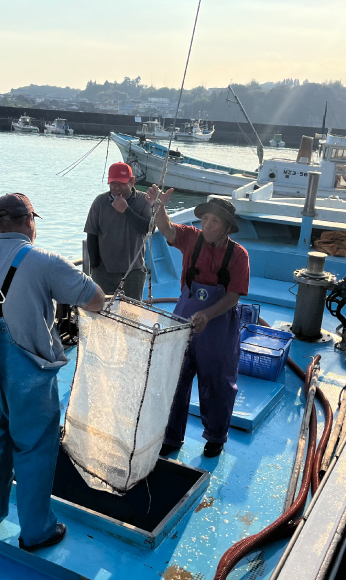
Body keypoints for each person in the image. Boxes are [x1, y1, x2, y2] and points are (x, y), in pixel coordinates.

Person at [0, 193, 104, 551]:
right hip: (29, 375)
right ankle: (35, 532)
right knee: (33, 449)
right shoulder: (45, 261)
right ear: (30, 220)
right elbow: (96, 299)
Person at [148, 185, 250, 458]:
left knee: (217, 380)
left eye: (214, 221)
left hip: (218, 324)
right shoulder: (191, 238)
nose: (206, 224)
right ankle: (171, 435)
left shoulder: (239, 255)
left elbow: (233, 296)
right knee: (176, 376)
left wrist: (207, 314)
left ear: (227, 227)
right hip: (184, 316)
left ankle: (216, 436)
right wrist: (159, 207)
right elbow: (167, 228)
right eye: (204, 219)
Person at [84, 161, 153, 299]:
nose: (117, 188)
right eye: (113, 183)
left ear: (132, 181)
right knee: (102, 311)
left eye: (121, 183)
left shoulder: (144, 200)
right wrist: (95, 265)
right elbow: (92, 234)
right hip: (104, 272)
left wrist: (126, 210)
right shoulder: (100, 202)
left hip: (133, 271)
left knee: (132, 314)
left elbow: (149, 229)